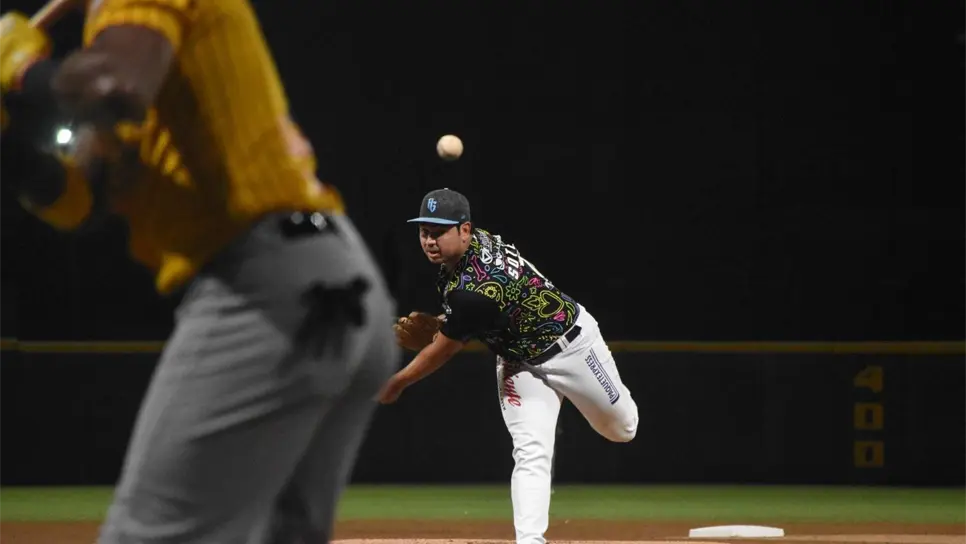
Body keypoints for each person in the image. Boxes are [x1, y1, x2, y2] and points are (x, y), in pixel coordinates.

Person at [0, 1, 399, 543]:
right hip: (329, 283)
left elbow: (112, 86)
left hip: (265, 288)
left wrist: (21, 66)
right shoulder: (138, 43)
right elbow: (80, 200)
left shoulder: (126, 37)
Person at [380, 188, 639, 544]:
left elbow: (445, 348)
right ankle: (530, 541)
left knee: (623, 429)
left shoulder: (472, 288)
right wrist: (444, 322)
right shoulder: (471, 254)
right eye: (424, 231)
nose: (430, 240)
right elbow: (482, 312)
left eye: (439, 231)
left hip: (572, 346)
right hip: (519, 362)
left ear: (465, 230)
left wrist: (398, 381)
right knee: (531, 449)